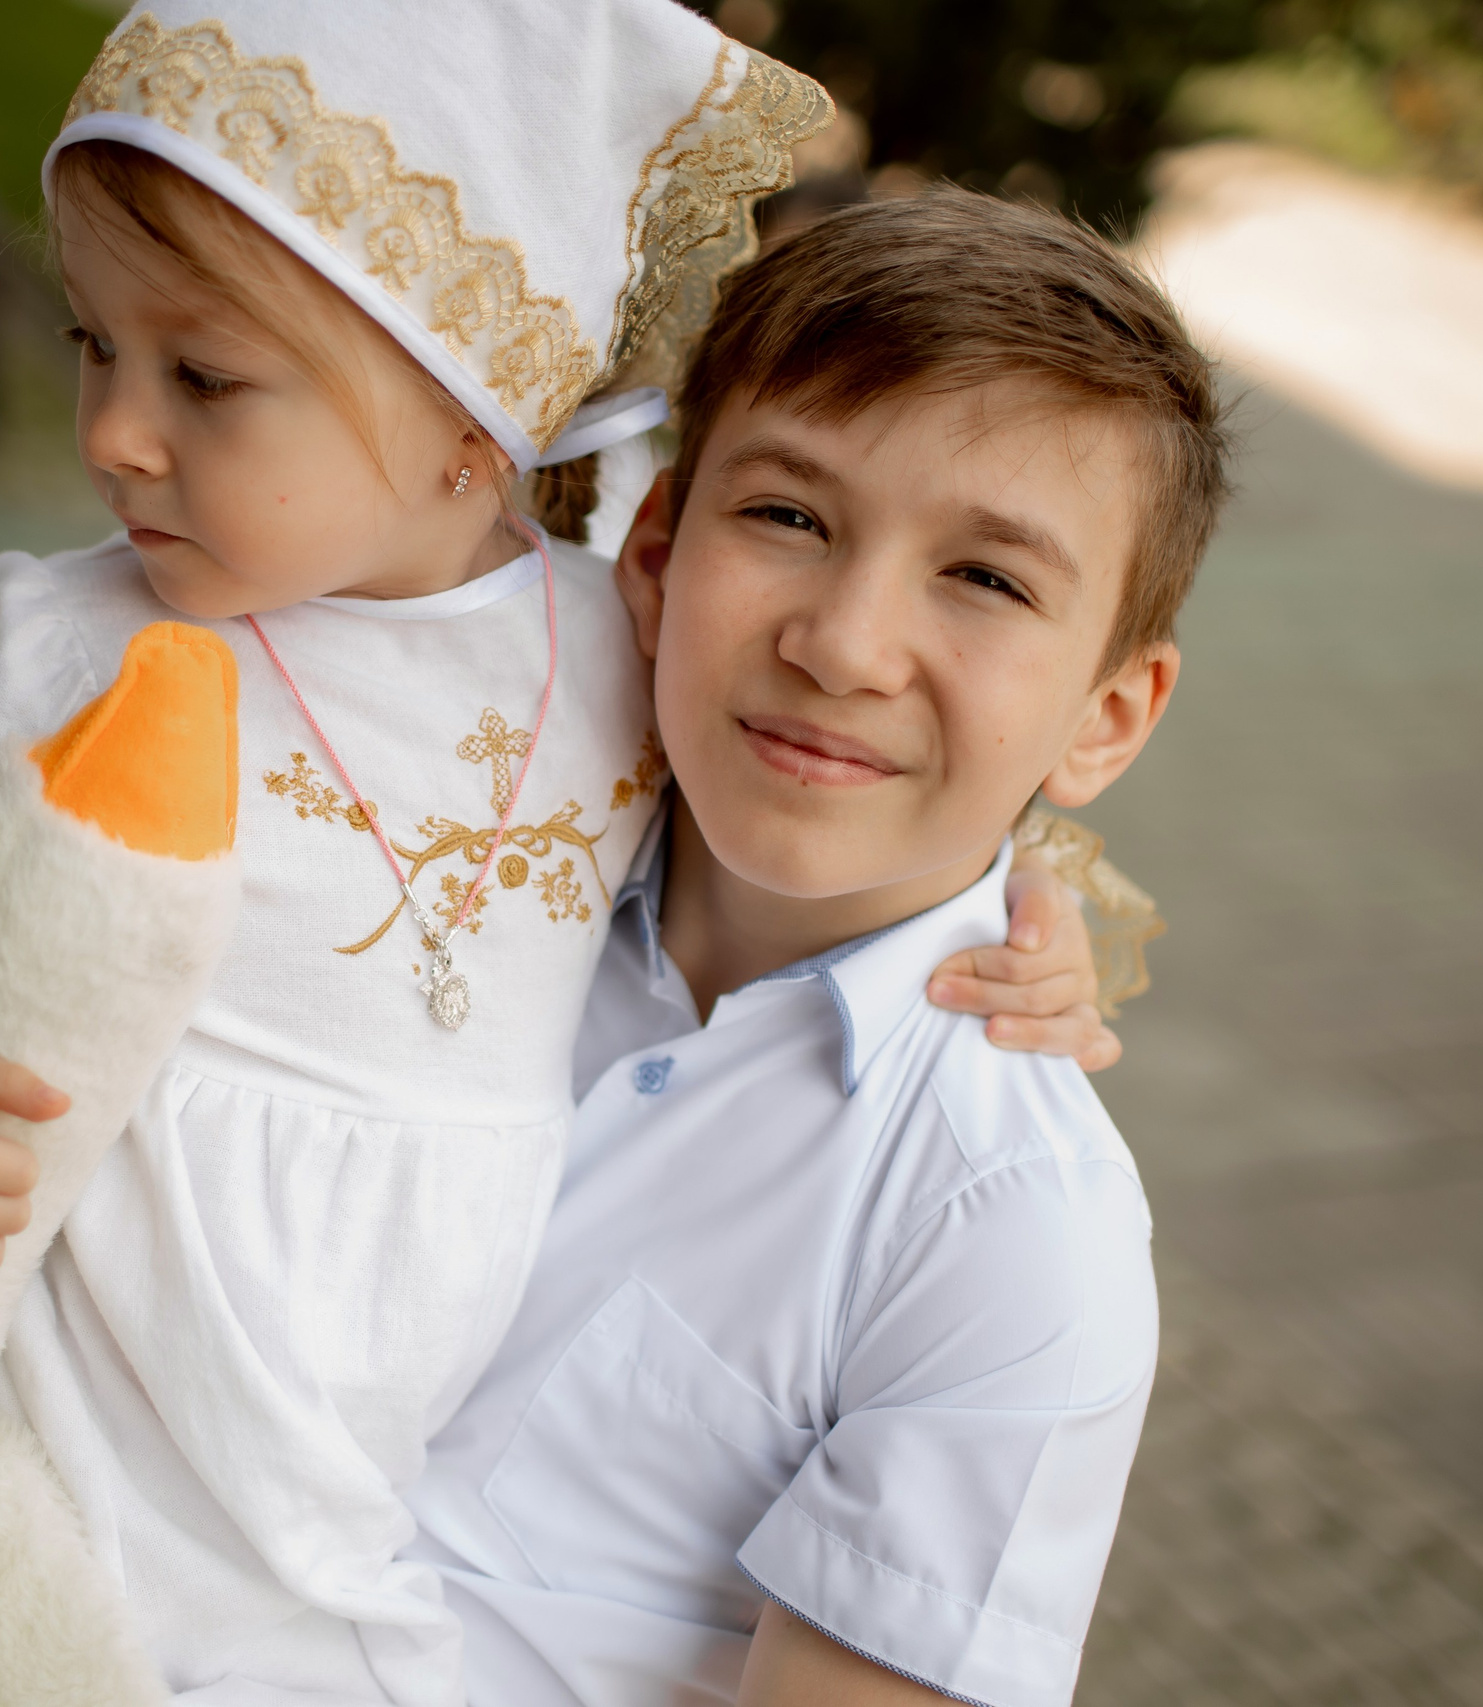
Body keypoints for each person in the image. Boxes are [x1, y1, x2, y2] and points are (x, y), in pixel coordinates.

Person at [0, 4, 848, 1701]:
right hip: (69, 1408)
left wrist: (1018, 921)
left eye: (204, 377)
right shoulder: (58, 643)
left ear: (475, 413)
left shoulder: (619, 654)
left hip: (384, 1486)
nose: (109, 429)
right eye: (94, 344)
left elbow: (802, 845)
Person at [407, 186, 1228, 1707]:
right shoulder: (433, 828)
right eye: (787, 516)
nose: (843, 646)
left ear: (1106, 716)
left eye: (985, 578)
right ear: (653, 549)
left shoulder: (1009, 1234)